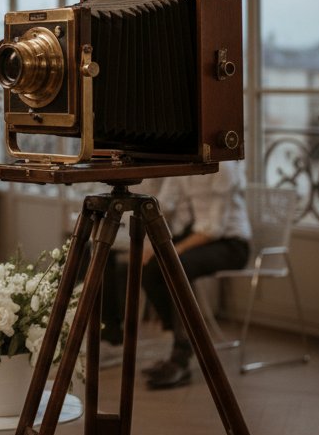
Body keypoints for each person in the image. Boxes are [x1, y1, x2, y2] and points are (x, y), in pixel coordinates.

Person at [99, 161, 250, 389]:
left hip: (231, 244)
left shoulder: (225, 168)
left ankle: (181, 355)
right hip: (200, 236)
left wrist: (174, 250)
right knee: (148, 269)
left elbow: (213, 229)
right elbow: (165, 203)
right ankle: (181, 337)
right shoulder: (185, 164)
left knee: (177, 265)